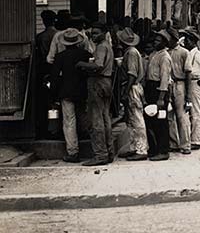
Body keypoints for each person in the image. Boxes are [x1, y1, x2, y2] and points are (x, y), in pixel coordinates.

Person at [76, 22, 116, 166]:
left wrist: (82, 64)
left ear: (104, 33)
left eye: (96, 33)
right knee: (105, 119)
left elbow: (98, 65)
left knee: (96, 120)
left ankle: (100, 155)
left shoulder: (101, 47)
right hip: (106, 82)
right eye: (92, 33)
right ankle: (109, 152)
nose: (93, 36)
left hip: (98, 82)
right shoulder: (107, 46)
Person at [51, 28, 91, 163]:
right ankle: (87, 141)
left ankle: (73, 152)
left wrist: (53, 95)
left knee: (69, 121)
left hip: (66, 91)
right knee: (83, 117)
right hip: (82, 90)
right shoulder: (85, 54)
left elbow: (55, 78)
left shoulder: (60, 57)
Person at [117, 28, 148, 161]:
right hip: (133, 86)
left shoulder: (131, 53)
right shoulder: (130, 52)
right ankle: (134, 146)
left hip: (132, 87)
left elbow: (132, 74)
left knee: (136, 118)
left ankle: (141, 149)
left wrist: (125, 91)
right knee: (130, 119)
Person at [142, 30, 172, 161]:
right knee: (151, 120)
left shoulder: (164, 57)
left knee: (161, 121)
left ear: (164, 43)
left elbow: (164, 78)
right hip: (151, 88)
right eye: (155, 40)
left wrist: (161, 98)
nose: (155, 42)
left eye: (158, 41)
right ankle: (154, 149)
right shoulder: (155, 54)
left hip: (159, 89)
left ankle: (163, 150)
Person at [167, 29, 192, 155]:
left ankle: (185, 144)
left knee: (181, 115)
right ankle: (173, 143)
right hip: (168, 85)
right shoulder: (166, 52)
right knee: (169, 115)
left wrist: (188, 95)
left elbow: (188, 73)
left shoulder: (184, 52)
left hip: (180, 84)